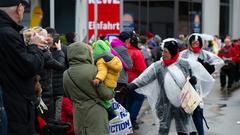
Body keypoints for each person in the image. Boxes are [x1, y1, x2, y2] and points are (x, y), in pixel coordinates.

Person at [127, 38, 215, 135]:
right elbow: (144, 78)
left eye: (165, 52)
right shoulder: (158, 66)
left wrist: (193, 80)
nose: (163, 54)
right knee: (163, 131)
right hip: (164, 106)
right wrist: (130, 87)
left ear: (172, 53)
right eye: (163, 51)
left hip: (183, 105)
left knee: (184, 131)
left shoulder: (185, 64)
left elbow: (194, 76)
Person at [0, 0, 46, 134]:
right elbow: (30, 66)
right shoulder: (7, 34)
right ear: (19, 8)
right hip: (15, 108)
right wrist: (34, 45)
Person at [63, 42, 114, 135]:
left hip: (78, 114)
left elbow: (68, 95)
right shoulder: (94, 70)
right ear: (85, 53)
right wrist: (112, 91)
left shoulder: (66, 74)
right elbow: (106, 95)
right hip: (96, 112)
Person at [180, 33, 224, 135]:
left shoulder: (205, 54)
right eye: (193, 42)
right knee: (186, 112)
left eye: (197, 42)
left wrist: (207, 67)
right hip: (186, 87)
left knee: (197, 111)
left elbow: (219, 62)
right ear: (190, 43)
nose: (195, 44)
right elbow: (174, 62)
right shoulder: (184, 54)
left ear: (200, 43)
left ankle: (199, 132)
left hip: (198, 88)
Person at [92, 40, 122, 120]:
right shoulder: (112, 58)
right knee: (109, 100)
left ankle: (113, 117)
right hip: (112, 83)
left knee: (106, 102)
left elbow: (102, 71)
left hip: (106, 83)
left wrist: (98, 79)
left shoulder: (100, 60)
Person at [126, 33, 147, 129]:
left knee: (129, 100)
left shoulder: (125, 50)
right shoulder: (137, 53)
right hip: (135, 81)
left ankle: (126, 121)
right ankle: (132, 120)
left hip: (125, 80)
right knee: (139, 98)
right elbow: (142, 69)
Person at [110, 31, 133, 107]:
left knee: (113, 102)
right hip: (120, 79)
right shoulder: (123, 49)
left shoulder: (111, 46)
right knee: (120, 103)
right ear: (127, 40)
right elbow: (129, 65)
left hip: (111, 78)